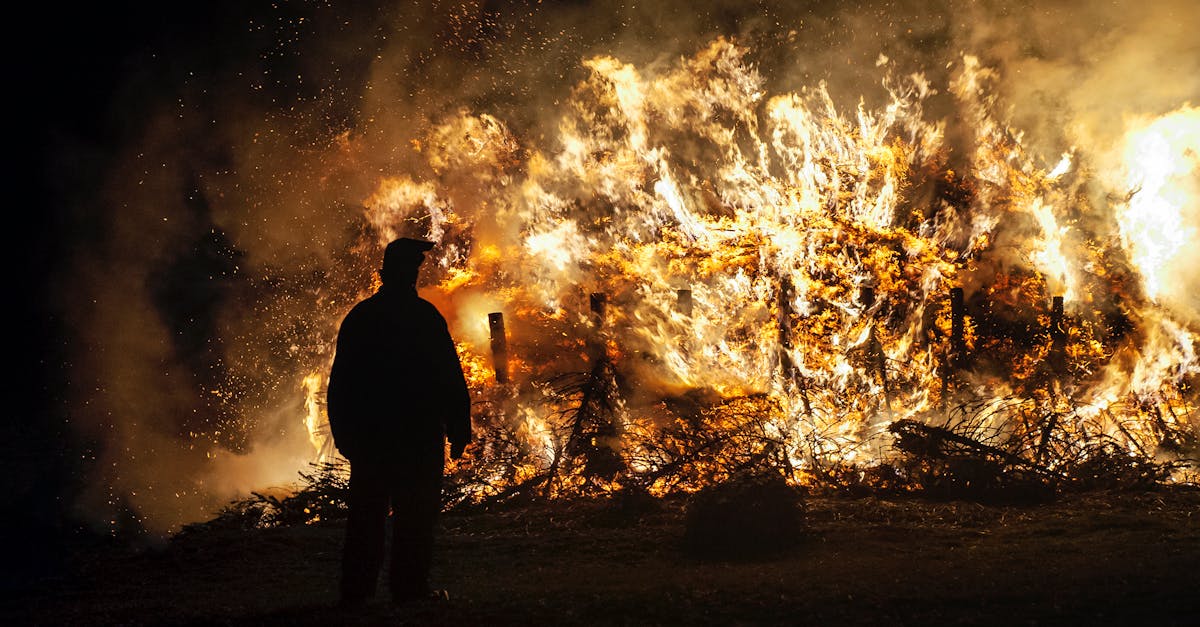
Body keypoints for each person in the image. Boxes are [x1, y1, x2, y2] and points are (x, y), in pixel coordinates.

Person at [326, 237, 472, 607]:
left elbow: (341, 382)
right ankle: (408, 589)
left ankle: (356, 593)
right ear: (405, 273)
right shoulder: (424, 317)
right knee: (415, 516)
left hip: (373, 437)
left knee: (367, 517)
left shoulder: (362, 317)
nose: (416, 273)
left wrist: (345, 433)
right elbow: (449, 376)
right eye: (413, 267)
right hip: (417, 435)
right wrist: (458, 426)